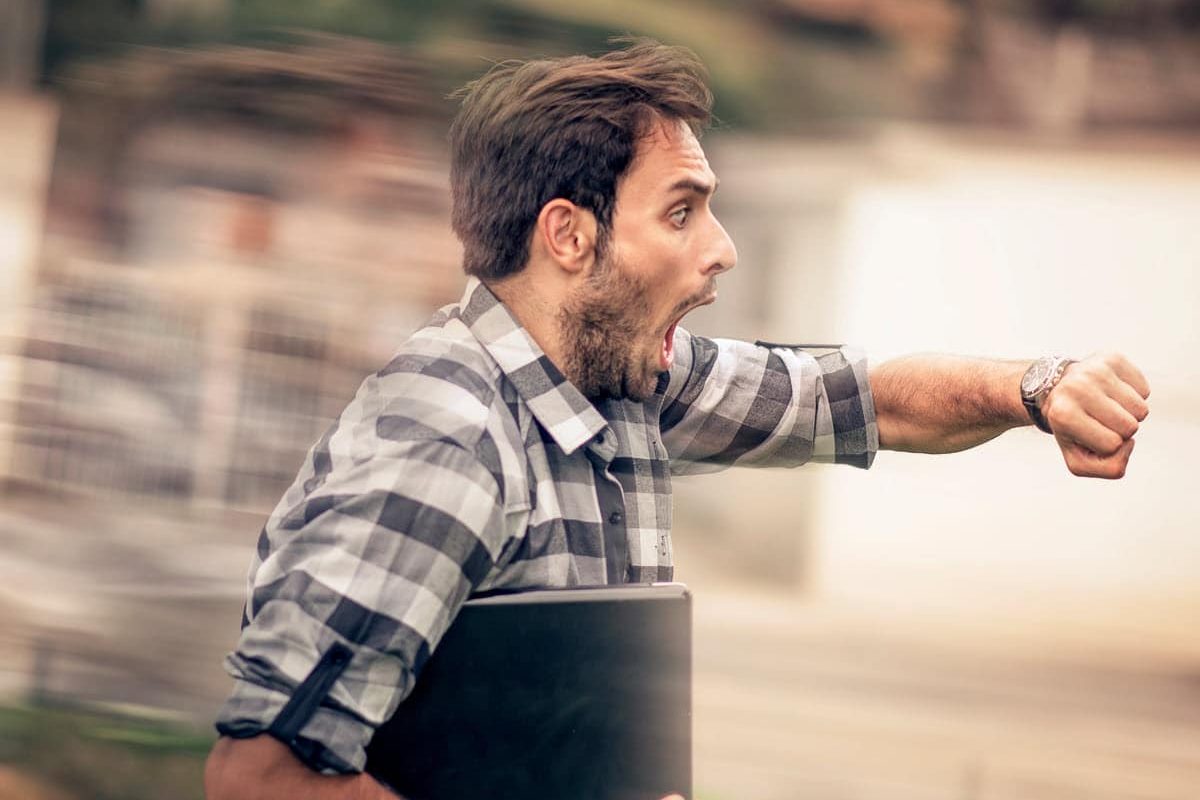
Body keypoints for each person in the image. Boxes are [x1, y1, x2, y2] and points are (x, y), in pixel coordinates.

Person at [203, 39, 1151, 799]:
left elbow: (864, 402)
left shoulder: (625, 383)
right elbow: (261, 774)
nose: (724, 251)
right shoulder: (446, 439)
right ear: (569, 235)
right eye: (683, 212)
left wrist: (1038, 386)